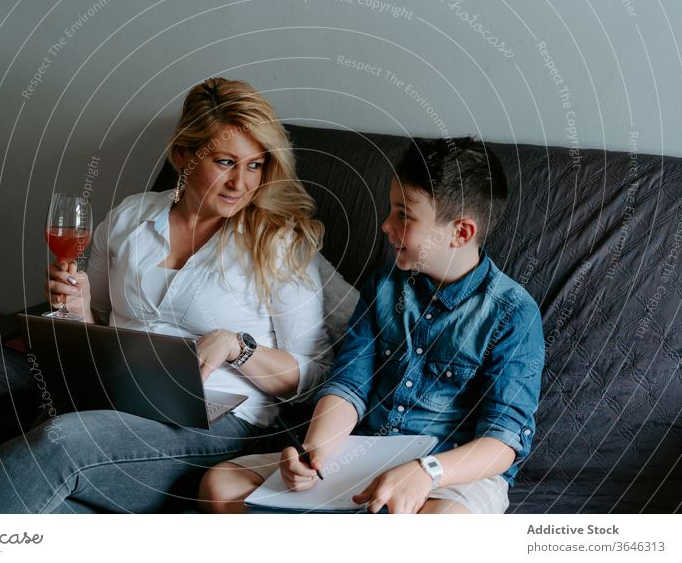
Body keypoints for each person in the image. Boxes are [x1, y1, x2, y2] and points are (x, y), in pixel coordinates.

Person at [0, 77, 332, 513]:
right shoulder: (130, 219)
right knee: (55, 511)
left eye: (255, 165)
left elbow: (312, 375)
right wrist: (79, 308)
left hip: (217, 426)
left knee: (60, 443)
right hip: (116, 401)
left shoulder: (278, 243)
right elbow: (98, 325)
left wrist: (237, 347)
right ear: (183, 155)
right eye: (225, 162)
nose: (241, 183)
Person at [200, 137, 545, 514]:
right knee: (221, 483)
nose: (386, 225)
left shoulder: (513, 313)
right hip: (364, 451)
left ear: (460, 232)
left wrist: (425, 471)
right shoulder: (384, 287)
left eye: (404, 216)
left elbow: (504, 441)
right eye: (391, 210)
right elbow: (349, 384)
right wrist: (313, 454)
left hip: (448, 471)